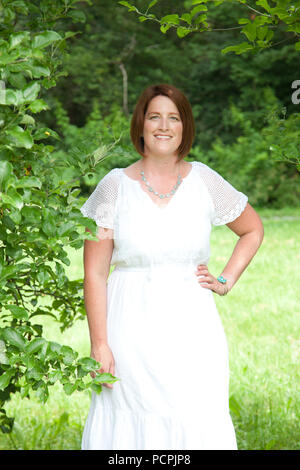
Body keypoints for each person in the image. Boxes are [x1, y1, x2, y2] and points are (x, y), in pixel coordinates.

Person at [79, 83, 264, 450]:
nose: (164, 126)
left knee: (194, 415)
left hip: (193, 329)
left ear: (185, 127)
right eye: (154, 117)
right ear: (141, 126)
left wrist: (226, 278)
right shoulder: (113, 186)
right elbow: (95, 274)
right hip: (129, 327)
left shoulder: (205, 180)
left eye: (173, 118)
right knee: (130, 421)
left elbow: (252, 229)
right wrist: (100, 344)